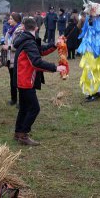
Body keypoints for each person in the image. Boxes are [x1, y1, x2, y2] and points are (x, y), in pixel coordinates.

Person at [13, 17, 66, 146]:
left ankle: (18, 132)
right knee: (34, 108)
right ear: (36, 28)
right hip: (25, 80)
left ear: (24, 28)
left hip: (22, 80)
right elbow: (36, 62)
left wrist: (54, 45)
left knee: (24, 108)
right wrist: (56, 68)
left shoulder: (26, 39)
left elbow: (40, 51)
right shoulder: (29, 42)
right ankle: (23, 135)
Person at [77, 1, 100, 102]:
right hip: (89, 51)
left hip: (98, 53)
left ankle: (95, 92)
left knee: (96, 72)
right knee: (89, 71)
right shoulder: (90, 21)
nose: (89, 15)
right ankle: (91, 92)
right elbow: (83, 31)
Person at [3, 12, 23, 107]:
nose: (8, 20)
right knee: (12, 80)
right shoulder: (9, 31)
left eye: (11, 19)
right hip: (9, 60)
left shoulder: (20, 31)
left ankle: (21, 101)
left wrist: (9, 47)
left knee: (18, 81)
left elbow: (18, 46)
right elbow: (5, 44)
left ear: (16, 20)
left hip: (17, 60)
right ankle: (13, 99)